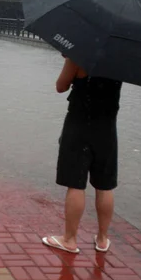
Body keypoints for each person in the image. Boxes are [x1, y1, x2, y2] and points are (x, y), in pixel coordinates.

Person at [42, 56, 122, 253]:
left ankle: (70, 239)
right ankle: (102, 239)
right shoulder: (121, 59)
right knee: (105, 184)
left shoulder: (79, 56)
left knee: (76, 182)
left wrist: (69, 60)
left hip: (79, 124)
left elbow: (61, 86)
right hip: (107, 128)